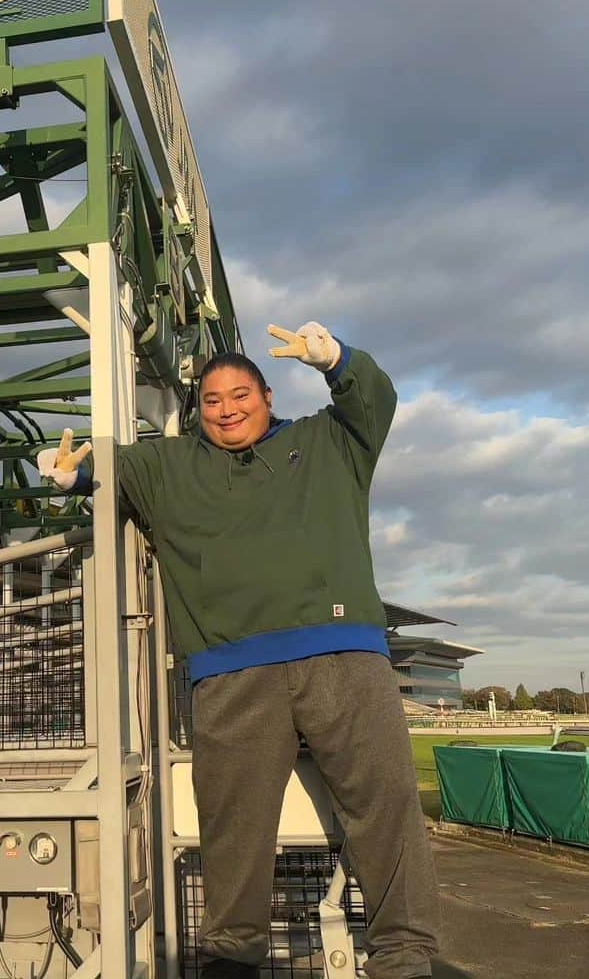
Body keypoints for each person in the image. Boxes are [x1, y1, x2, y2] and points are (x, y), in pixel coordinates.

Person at [38, 322, 440, 979]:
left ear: (268, 395)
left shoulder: (326, 440)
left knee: (387, 799)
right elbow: (94, 467)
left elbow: (376, 401)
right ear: (200, 409)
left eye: (240, 394)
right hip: (230, 672)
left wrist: (336, 358)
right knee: (232, 826)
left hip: (344, 655)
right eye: (214, 399)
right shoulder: (167, 465)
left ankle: (404, 954)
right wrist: (64, 477)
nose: (227, 409)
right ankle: (231, 959)